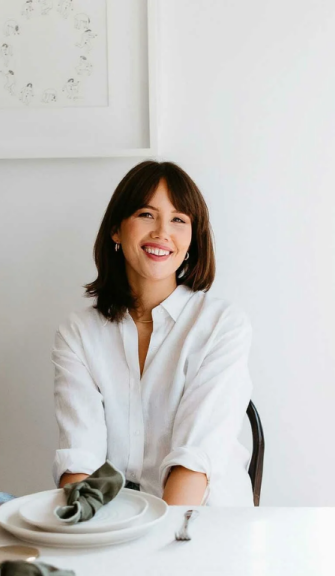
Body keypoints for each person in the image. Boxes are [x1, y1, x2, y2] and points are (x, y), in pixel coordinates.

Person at [52, 160, 255, 507]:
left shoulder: (222, 324)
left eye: (179, 219)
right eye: (147, 214)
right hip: (117, 518)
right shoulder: (79, 333)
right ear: (116, 230)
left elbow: (195, 461)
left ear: (192, 239)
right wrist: (83, 526)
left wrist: (158, 538)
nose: (162, 232)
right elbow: (81, 459)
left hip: (202, 518)